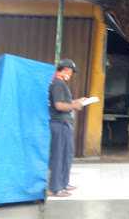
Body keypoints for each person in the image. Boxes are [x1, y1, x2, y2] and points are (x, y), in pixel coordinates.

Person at [48, 59, 86, 197]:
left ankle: (63, 182)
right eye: (70, 71)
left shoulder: (61, 83)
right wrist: (74, 106)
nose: (71, 74)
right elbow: (58, 105)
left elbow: (65, 103)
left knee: (67, 155)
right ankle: (55, 188)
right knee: (58, 156)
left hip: (65, 124)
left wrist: (77, 101)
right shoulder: (57, 83)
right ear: (65, 70)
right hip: (59, 124)